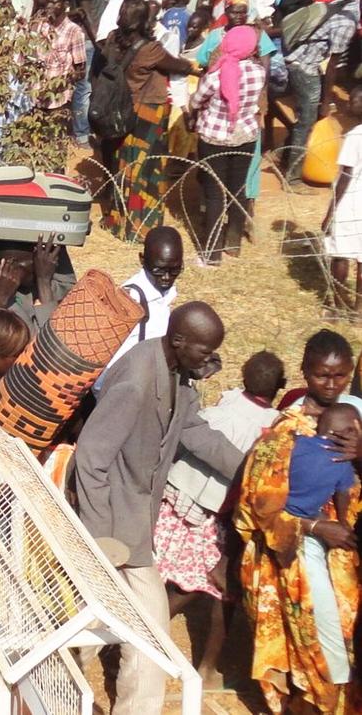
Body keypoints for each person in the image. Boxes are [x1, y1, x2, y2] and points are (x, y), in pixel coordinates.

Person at [74, 302, 244, 715]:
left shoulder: (176, 373)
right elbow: (91, 457)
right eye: (205, 352)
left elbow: (194, 431)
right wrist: (101, 543)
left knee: (117, 626)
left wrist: (250, 469)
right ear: (179, 340)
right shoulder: (137, 380)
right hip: (112, 527)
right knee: (128, 628)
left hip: (133, 524)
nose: (210, 362)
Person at [236, 331, 362, 713]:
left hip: (345, 555)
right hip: (292, 556)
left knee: (345, 639)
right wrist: (316, 527)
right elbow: (258, 505)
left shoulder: (353, 424)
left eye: (340, 376)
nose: (332, 384)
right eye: (322, 375)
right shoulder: (285, 433)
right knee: (316, 648)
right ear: (305, 372)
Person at [153, 350, 284, 688]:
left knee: (160, 570)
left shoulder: (223, 406)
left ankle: (138, 632)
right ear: (281, 386)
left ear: (242, 377)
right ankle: (180, 653)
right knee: (210, 586)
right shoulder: (271, 429)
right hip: (213, 516)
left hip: (176, 497)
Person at [99, 0, 201, 239]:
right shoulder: (150, 49)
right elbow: (176, 64)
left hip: (120, 110)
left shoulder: (113, 40)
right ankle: (141, 227)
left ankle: (118, 220)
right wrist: (196, 68)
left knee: (123, 165)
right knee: (147, 169)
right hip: (148, 113)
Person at [190, 25, 267, 264]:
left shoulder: (216, 75)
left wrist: (198, 107)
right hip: (245, 136)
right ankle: (233, 243)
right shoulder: (258, 72)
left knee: (214, 195)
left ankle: (212, 253)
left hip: (214, 137)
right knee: (238, 190)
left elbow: (196, 100)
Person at [281, 0, 359, 186]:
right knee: (306, 122)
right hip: (305, 67)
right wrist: (326, 102)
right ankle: (293, 178)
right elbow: (333, 64)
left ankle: (286, 157)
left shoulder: (345, 4)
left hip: (302, 62)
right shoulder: (348, 21)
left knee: (307, 117)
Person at [100, 226, 184, 382]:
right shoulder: (130, 301)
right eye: (159, 270)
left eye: (175, 270)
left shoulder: (164, 293)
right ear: (142, 260)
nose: (166, 277)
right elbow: (106, 368)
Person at [324, 86, 362, 312]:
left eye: (354, 101)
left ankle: (337, 307)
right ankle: (359, 309)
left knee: (340, 255)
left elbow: (345, 177)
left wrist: (330, 213)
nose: (348, 104)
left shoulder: (355, 136)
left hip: (351, 203)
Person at [34, 0, 89, 122]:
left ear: (65, 5)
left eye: (54, 3)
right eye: (48, 2)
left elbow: (80, 71)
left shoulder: (74, 31)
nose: (49, 6)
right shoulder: (42, 26)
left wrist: (57, 84)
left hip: (58, 99)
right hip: (37, 96)